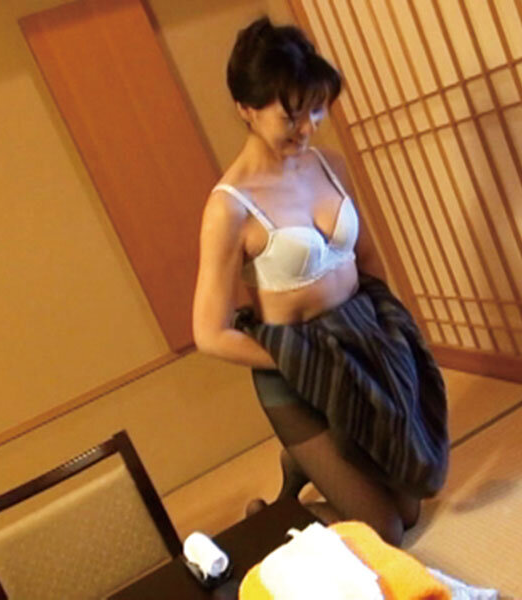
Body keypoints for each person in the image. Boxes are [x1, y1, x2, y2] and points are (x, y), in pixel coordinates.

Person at [192, 16, 448, 546]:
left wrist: (390, 334)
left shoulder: (329, 164)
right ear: (246, 108)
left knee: (411, 508)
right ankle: (279, 510)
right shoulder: (229, 207)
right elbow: (210, 334)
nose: (308, 127)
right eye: (291, 115)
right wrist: (297, 360)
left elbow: (367, 256)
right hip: (298, 373)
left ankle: (306, 465)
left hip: (362, 346)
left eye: (316, 108)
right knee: (385, 531)